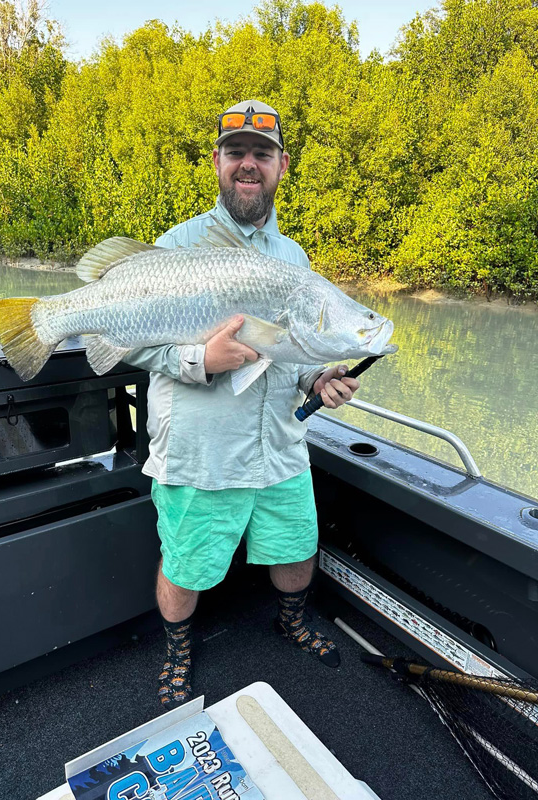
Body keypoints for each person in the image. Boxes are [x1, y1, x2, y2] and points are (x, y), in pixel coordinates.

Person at [124, 100, 360, 709]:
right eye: (236, 153)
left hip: (279, 447)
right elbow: (131, 343)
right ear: (218, 162)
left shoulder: (296, 261)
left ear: (282, 164)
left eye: (261, 153)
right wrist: (199, 361)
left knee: (296, 545)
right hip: (202, 452)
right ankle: (176, 653)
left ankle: (290, 620)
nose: (248, 165)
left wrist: (317, 379)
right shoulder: (176, 248)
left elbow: (291, 349)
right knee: (186, 562)